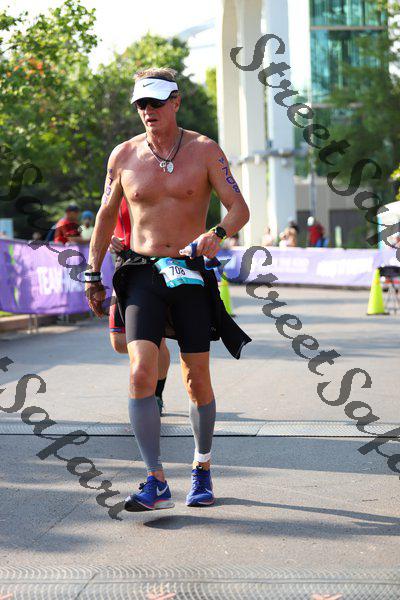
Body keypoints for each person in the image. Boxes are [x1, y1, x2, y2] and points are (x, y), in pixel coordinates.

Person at [85, 67, 250, 512]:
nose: (148, 110)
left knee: (196, 378)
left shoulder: (204, 150)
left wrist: (217, 232)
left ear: (176, 101)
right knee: (140, 369)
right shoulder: (123, 155)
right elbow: (105, 215)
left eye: (156, 102)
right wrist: (91, 273)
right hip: (140, 272)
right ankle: (155, 479)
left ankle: (202, 466)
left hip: (189, 271)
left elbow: (239, 208)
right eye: (141, 103)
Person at [108, 197, 170, 416]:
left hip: (154, 264)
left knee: (155, 339)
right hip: (125, 263)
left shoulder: (157, 182)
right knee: (118, 342)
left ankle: (156, 394)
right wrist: (109, 238)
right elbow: (104, 219)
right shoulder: (115, 182)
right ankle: (145, 367)